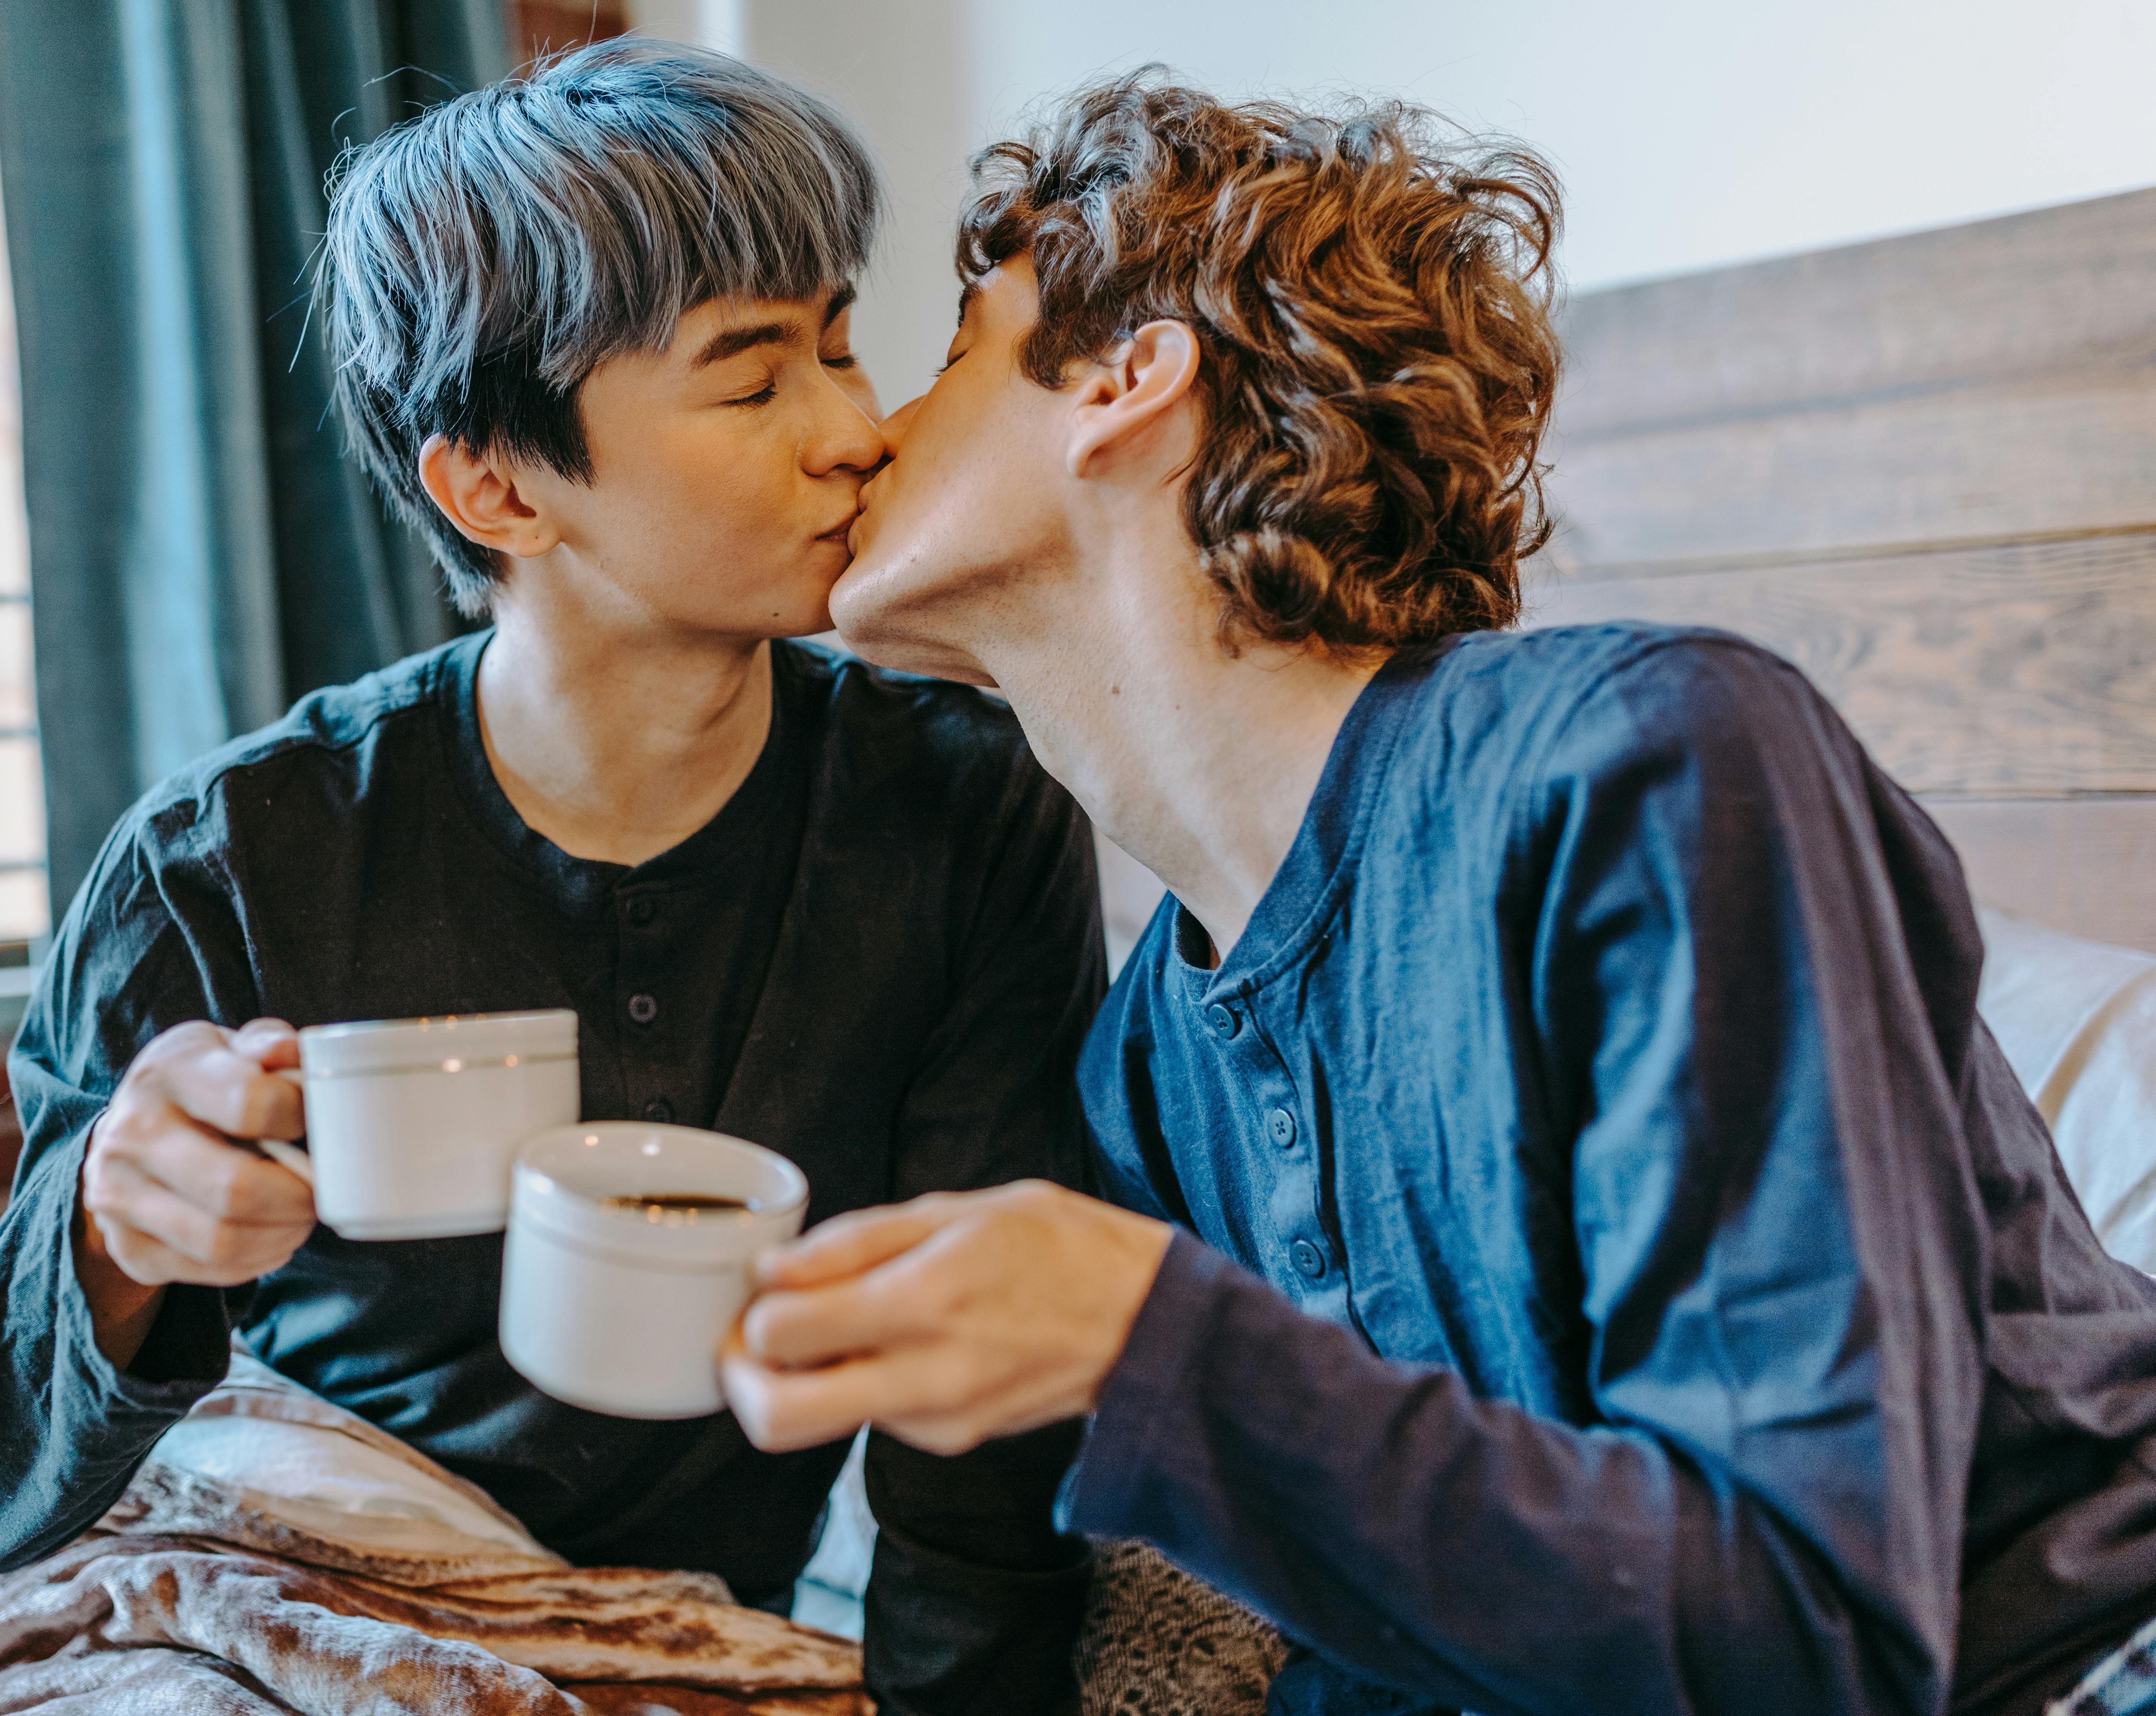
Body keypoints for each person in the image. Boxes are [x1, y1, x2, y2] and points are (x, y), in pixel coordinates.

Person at [721, 73, 2156, 1716]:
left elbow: (1809, 1633)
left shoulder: (1652, 768)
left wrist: (1147, 1345)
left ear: (1127, 384)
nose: (871, 431)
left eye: (953, 354)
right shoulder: (1154, 1051)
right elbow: (1432, 1608)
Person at [0, 41, 1099, 1713]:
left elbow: (980, 1454)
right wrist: (116, 1221)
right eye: (754, 382)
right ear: (496, 484)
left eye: (839, 341)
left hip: (684, 1629)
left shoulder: (964, 808)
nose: (854, 430)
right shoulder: (230, 863)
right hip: (274, 1579)